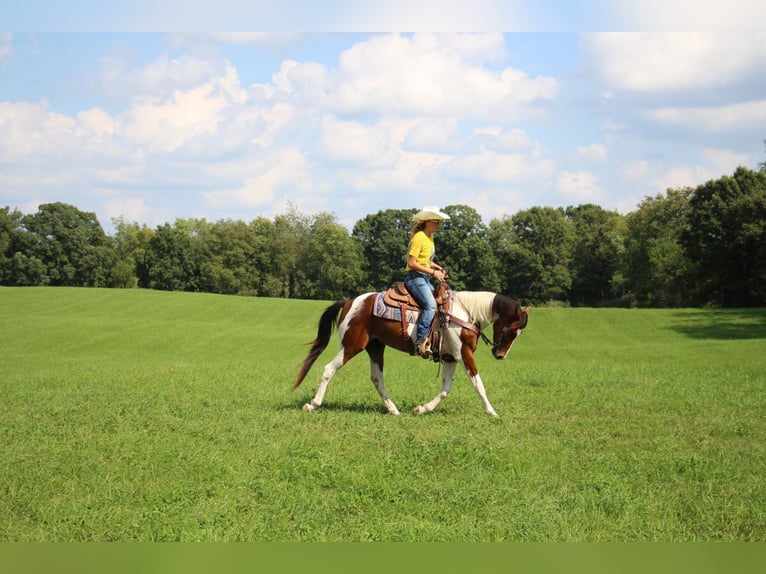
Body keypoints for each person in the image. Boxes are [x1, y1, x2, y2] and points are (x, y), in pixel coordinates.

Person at [404, 206, 450, 358]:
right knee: (430, 305)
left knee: (441, 302)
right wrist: (433, 272)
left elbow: (425, 262)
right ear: (427, 222)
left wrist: (438, 267)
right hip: (414, 278)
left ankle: (434, 341)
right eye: (436, 221)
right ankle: (421, 341)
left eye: (439, 221)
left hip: (423, 277)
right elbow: (412, 263)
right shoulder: (419, 238)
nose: (438, 224)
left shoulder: (429, 237)